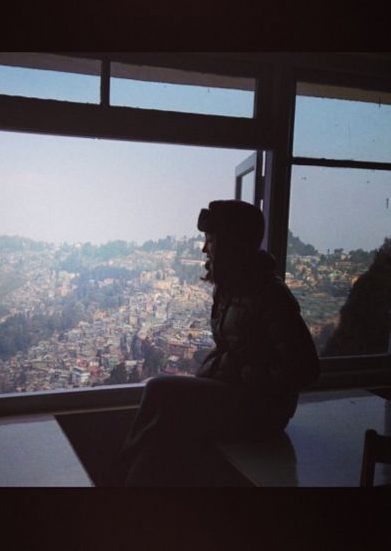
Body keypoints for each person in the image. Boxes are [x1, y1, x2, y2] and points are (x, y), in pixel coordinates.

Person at [114, 200, 320, 486]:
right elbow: (234, 349)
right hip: (239, 397)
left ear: (232, 245)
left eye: (210, 240)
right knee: (167, 428)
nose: (204, 249)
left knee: (159, 390)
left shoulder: (270, 296)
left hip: (262, 410)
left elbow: (306, 369)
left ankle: (121, 483)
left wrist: (249, 374)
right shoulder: (229, 290)